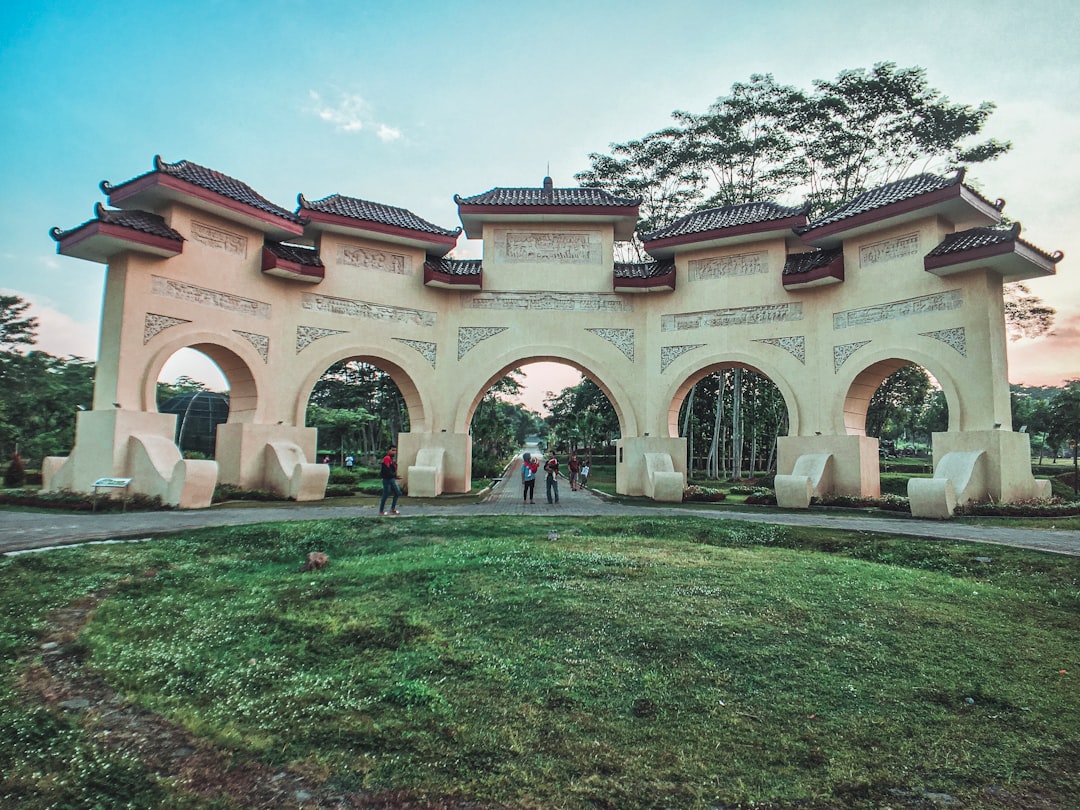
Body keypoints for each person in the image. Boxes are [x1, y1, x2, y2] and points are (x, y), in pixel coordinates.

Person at [378, 445, 402, 515]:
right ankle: (381, 511)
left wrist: (395, 475)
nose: (394, 452)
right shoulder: (387, 458)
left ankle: (392, 509)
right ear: (388, 451)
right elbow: (386, 470)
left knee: (397, 492)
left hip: (391, 479)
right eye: (392, 450)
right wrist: (394, 475)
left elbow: (390, 470)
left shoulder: (390, 459)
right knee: (386, 494)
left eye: (395, 450)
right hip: (387, 479)